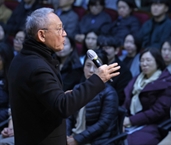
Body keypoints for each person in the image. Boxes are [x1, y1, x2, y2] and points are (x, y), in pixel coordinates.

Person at [7, 7, 120, 144]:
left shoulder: (22, 59)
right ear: (42, 35)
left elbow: (39, 102)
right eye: (59, 29)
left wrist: (60, 97)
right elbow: (63, 107)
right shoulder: (37, 67)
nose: (65, 33)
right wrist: (98, 78)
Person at [123, 47, 171, 145]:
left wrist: (131, 120)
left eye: (148, 60)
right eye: (142, 60)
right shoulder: (137, 79)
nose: (144, 63)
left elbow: (157, 111)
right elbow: (125, 101)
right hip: (129, 120)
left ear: (158, 62)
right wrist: (122, 119)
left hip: (152, 124)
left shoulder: (166, 82)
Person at [66, 49, 118, 145]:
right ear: (83, 67)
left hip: (96, 141)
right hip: (74, 135)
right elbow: (68, 116)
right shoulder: (78, 88)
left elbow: (103, 123)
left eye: (96, 67)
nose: (91, 71)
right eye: (88, 65)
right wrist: (66, 135)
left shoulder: (109, 93)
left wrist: (76, 140)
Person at [98, 35, 132, 106]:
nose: (104, 51)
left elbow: (120, 97)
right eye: (102, 48)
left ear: (116, 50)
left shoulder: (123, 71)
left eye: (107, 48)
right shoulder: (97, 66)